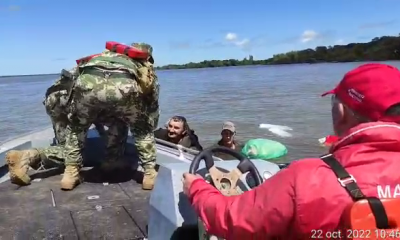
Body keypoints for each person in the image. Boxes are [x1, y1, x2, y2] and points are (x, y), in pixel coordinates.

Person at [182, 63, 400, 239]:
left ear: (341, 111)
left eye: (335, 100)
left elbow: (232, 220)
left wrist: (197, 188)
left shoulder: (307, 178)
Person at [7, 42, 160, 191]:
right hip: (70, 102)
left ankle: (70, 175)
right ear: (147, 56)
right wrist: (146, 126)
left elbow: (85, 89)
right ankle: (146, 174)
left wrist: (87, 121)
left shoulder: (103, 58)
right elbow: (151, 106)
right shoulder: (141, 66)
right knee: (136, 127)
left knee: (77, 131)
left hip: (60, 98)